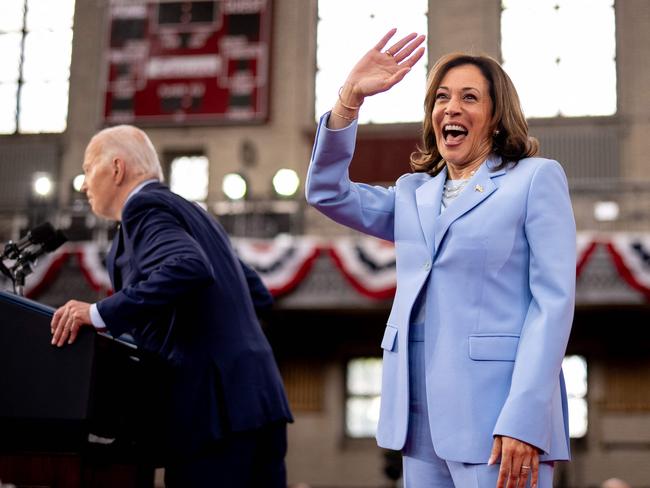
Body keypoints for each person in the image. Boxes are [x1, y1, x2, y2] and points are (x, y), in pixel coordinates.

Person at [306, 29, 576, 488]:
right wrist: (349, 100)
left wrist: (524, 418)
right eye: (442, 99)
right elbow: (327, 192)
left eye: (469, 97)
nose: (451, 108)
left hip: (498, 422)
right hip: (418, 422)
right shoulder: (414, 193)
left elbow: (552, 305)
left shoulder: (534, 180)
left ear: (494, 117)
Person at [50, 125, 293, 487]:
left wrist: (99, 314)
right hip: (258, 400)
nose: (83, 184)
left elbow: (188, 267)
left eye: (88, 169)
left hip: (211, 416)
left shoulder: (144, 209)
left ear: (117, 168)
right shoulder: (195, 214)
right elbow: (256, 291)